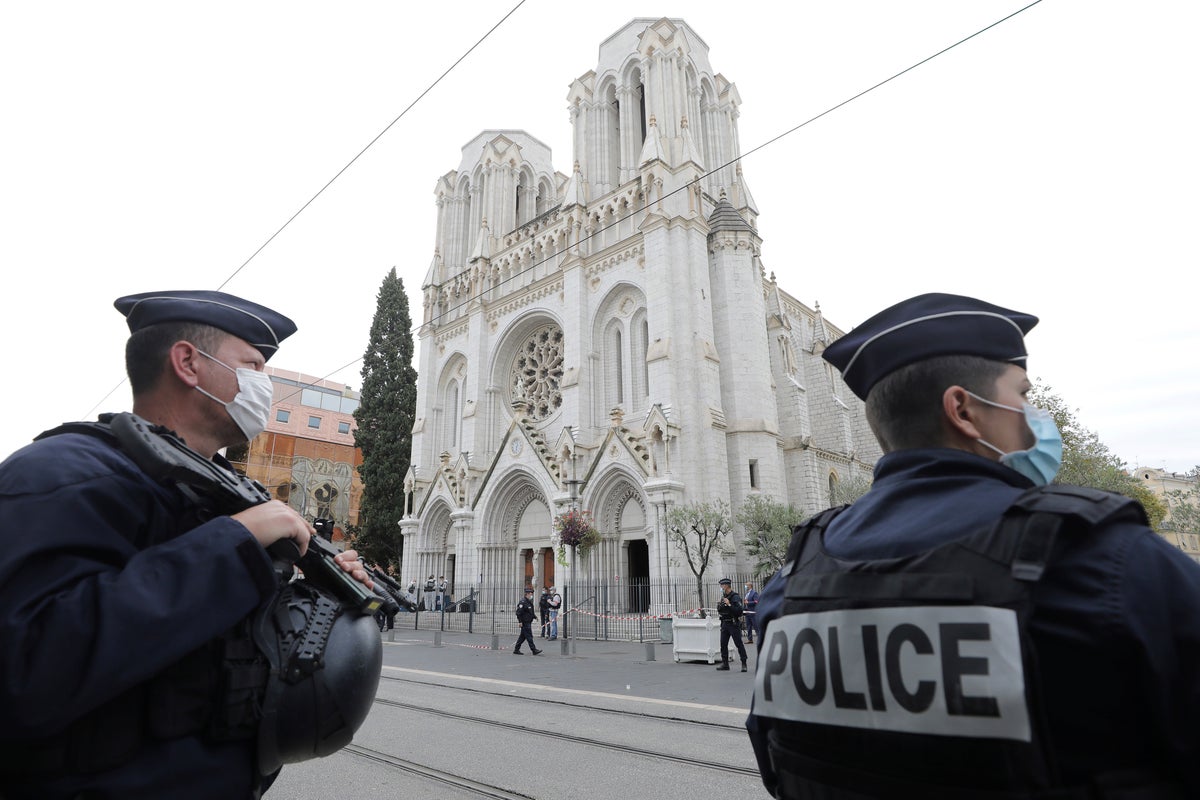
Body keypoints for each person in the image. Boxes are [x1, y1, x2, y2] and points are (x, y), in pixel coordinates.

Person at [747, 293, 1200, 798]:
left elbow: (776, 762)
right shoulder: (1111, 561)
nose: (1034, 415)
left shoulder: (788, 587)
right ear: (962, 409)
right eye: (1022, 394)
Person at [0, 290, 375, 799]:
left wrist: (322, 593)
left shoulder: (234, 495)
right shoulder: (62, 474)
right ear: (188, 363)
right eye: (253, 366)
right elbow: (27, 668)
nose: (264, 385)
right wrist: (236, 544)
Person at [715, 578, 748, 672]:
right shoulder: (724, 596)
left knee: (739, 644)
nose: (721, 587)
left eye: (722, 585)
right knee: (723, 644)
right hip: (725, 623)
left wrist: (729, 604)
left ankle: (744, 663)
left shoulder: (735, 597)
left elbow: (739, 611)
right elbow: (720, 610)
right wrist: (720, 604)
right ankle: (725, 664)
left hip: (733, 623)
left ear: (726, 585)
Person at [513, 587, 542, 655]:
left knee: (522, 637)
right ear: (527, 594)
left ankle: (516, 649)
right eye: (530, 594)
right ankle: (534, 650)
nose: (531, 595)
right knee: (529, 636)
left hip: (528, 621)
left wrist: (534, 616)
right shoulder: (523, 602)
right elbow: (518, 613)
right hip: (525, 622)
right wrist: (520, 622)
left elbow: (529, 611)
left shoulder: (528, 602)